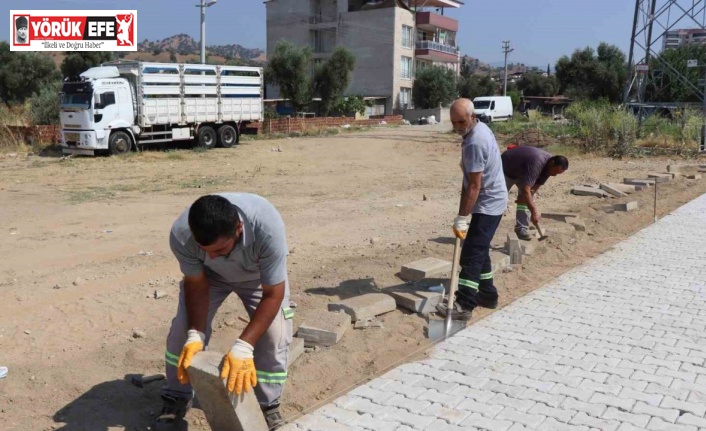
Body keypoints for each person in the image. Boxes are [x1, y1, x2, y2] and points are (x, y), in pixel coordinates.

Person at [156, 193, 293, 430]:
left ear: (238, 228)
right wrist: (195, 335)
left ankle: (266, 405)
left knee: (275, 335)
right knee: (181, 333)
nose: (211, 256)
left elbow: (273, 294)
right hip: (210, 280)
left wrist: (244, 346)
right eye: (204, 249)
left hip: (258, 279)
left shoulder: (267, 228)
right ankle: (176, 397)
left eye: (219, 250)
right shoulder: (181, 234)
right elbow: (196, 283)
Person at [437, 98, 508, 320]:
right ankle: (488, 295)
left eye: (461, 121)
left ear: (472, 117)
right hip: (487, 200)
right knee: (480, 249)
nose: (457, 126)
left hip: (488, 202)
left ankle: (464, 305)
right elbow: (468, 183)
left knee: (470, 255)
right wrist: (462, 214)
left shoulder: (475, 143)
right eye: (453, 122)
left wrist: (463, 218)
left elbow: (475, 185)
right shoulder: (479, 129)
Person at [501, 146, 569, 240]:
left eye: (558, 173)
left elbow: (533, 188)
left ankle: (521, 229)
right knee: (499, 199)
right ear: (552, 163)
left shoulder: (549, 169)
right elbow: (526, 189)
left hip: (523, 173)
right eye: (555, 171)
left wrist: (525, 198)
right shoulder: (537, 162)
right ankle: (487, 230)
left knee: (527, 199)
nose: (554, 175)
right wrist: (533, 211)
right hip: (506, 168)